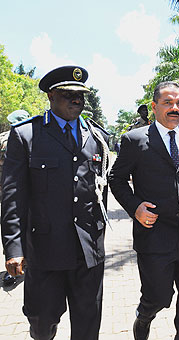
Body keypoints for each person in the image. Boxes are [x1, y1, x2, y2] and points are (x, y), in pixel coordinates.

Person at [1, 65, 110, 340]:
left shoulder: (97, 137)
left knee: (88, 324)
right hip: (45, 249)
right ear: (50, 96)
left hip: (88, 250)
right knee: (42, 320)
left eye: (81, 95)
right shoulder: (26, 136)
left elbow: (101, 189)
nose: (77, 100)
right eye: (68, 94)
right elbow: (12, 195)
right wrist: (13, 247)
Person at [109, 81, 179, 340]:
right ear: (154, 106)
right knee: (158, 296)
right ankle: (144, 315)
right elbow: (116, 179)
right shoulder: (135, 140)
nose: (174, 108)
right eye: (168, 103)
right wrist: (135, 208)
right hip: (154, 234)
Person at [0, 110, 30, 287]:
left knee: (9, 227)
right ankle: (18, 264)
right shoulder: (30, 135)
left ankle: (14, 262)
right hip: (22, 192)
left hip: (5, 191)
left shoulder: (4, 137)